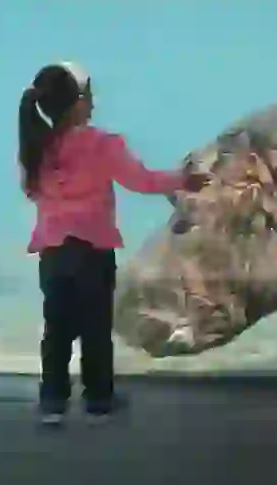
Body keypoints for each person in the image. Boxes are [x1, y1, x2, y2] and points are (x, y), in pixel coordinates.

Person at [19, 62, 209, 426]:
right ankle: (98, 401)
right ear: (76, 103)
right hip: (92, 250)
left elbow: (31, 191)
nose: (92, 102)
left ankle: (53, 403)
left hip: (54, 253)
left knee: (56, 328)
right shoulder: (103, 144)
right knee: (94, 327)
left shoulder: (37, 148)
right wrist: (184, 181)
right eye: (88, 95)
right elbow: (141, 180)